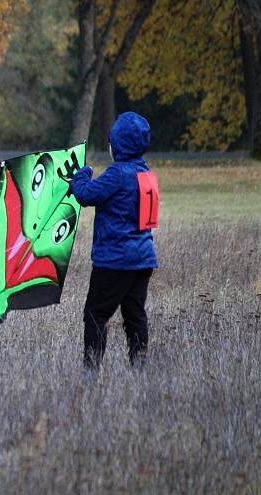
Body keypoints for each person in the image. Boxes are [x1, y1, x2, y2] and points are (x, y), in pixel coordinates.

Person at [70, 111, 158, 371]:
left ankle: (90, 370)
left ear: (116, 145)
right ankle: (139, 366)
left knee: (96, 314)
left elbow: (86, 195)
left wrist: (82, 174)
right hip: (143, 259)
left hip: (115, 261)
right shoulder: (147, 175)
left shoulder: (117, 174)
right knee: (135, 315)